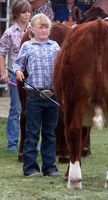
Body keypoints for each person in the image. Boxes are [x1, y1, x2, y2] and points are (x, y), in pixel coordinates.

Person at [13, 13, 60, 177]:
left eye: (47, 27)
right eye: (40, 27)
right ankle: (31, 168)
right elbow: (17, 63)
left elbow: (62, 66)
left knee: (50, 133)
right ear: (32, 29)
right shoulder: (27, 46)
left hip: (52, 95)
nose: (44, 30)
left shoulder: (55, 46)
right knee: (32, 132)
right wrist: (18, 71)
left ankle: (50, 167)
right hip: (34, 95)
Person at [0, 0, 31, 152]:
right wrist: (3, 73)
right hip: (15, 74)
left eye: (29, 12)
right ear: (17, 14)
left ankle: (30, 142)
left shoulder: (33, 30)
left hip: (32, 76)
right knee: (16, 109)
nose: (27, 15)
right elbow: (1, 53)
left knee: (32, 110)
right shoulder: (10, 32)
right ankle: (12, 144)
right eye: (24, 12)